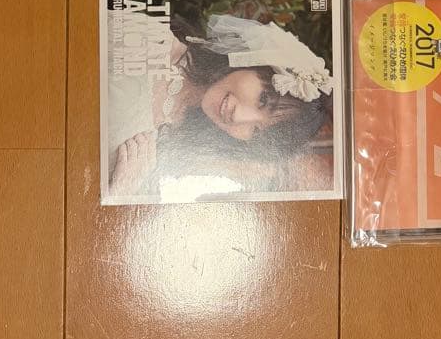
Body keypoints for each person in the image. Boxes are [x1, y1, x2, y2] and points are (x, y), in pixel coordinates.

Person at [107, 12, 333, 200]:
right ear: (256, 63)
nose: (238, 117)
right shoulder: (154, 46)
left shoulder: (174, 149)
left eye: (255, 131)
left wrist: (120, 192)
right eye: (263, 100)